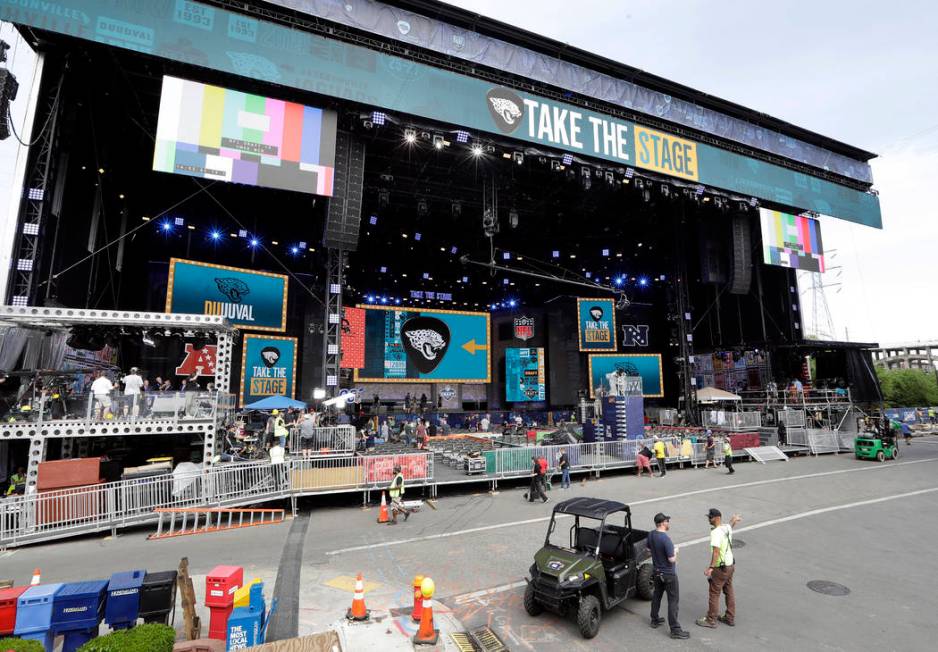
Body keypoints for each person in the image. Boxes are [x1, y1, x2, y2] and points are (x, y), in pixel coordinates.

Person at [647, 513, 690, 639]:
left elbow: (648, 551)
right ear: (662, 523)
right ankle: (675, 630)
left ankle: (654, 619)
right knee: (673, 601)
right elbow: (671, 559)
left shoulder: (651, 534)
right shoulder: (666, 539)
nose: (668, 523)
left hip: (657, 572)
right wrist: (676, 552)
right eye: (667, 521)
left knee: (657, 595)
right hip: (668, 575)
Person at [697, 508, 742, 629]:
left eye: (710, 517)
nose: (708, 520)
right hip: (730, 565)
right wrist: (733, 520)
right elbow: (730, 526)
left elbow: (716, 552)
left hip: (720, 568)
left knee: (714, 593)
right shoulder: (726, 527)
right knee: (729, 591)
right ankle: (729, 617)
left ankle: (711, 619)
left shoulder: (716, 532)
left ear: (717, 518)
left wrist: (711, 567)